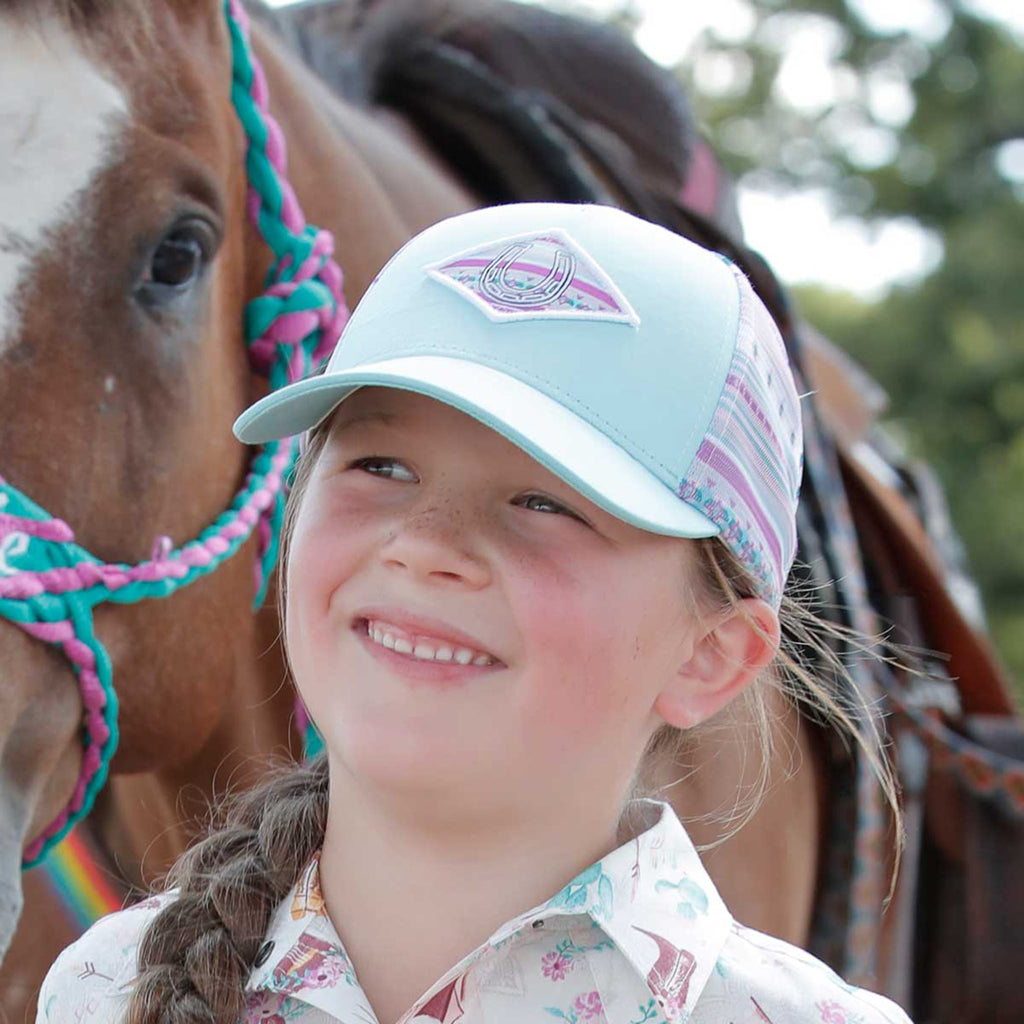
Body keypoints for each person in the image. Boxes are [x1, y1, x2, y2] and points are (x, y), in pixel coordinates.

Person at [36, 203, 911, 1024]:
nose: (424, 545)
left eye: (544, 503)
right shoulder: (100, 990)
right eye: (380, 466)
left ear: (710, 655)